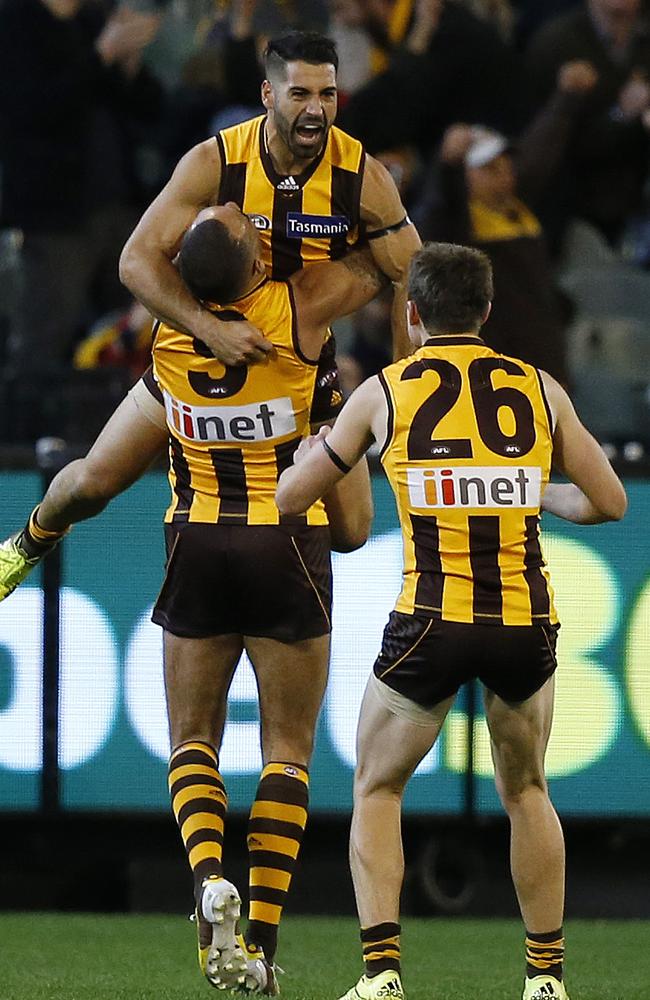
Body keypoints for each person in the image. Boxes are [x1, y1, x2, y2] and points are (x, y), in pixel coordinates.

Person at [0, 203, 386, 994]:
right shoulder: (298, 316)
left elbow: (100, 475)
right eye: (251, 230)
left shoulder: (170, 341)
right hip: (287, 545)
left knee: (193, 743)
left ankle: (209, 872)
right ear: (253, 268)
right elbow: (381, 265)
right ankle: (265, 950)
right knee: (286, 753)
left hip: (198, 543)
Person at [276, 242, 627, 1000]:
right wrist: (540, 497)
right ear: (487, 312)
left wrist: (312, 453)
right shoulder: (538, 389)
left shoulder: (384, 393)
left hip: (431, 620)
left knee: (377, 787)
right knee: (527, 790)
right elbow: (610, 501)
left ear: (412, 314)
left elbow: (290, 499)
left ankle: (382, 975)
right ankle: (544, 981)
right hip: (524, 620)